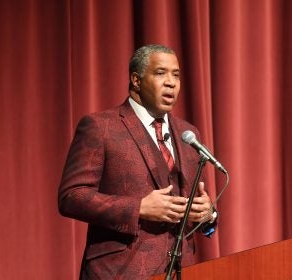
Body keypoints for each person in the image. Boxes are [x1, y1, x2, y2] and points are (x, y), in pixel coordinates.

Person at [58, 44, 217, 279]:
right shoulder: (101, 127)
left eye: (176, 74)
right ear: (136, 80)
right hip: (118, 271)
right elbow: (71, 197)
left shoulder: (188, 134)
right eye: (161, 73)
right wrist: (139, 208)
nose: (171, 82)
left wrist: (207, 214)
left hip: (181, 271)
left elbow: (198, 209)